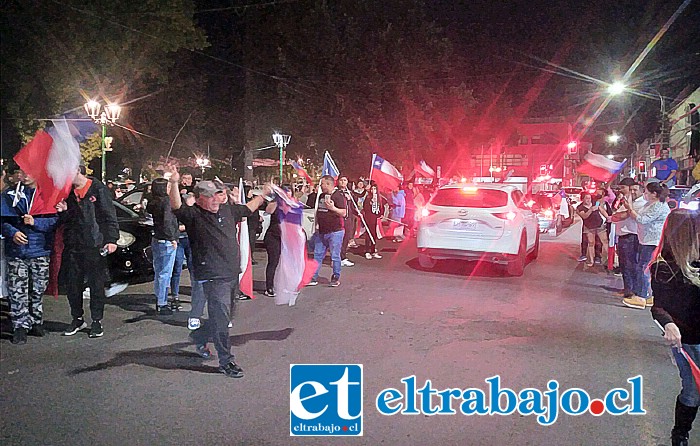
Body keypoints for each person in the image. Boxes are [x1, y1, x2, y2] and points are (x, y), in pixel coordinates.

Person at [167, 166, 269, 378]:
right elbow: (176, 206)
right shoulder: (194, 215)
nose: (215, 200)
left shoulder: (227, 209)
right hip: (213, 276)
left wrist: (264, 194)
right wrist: (175, 182)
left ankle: (199, 336)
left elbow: (248, 209)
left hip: (232, 273)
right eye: (210, 197)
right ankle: (226, 361)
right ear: (199, 199)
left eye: (217, 195)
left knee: (226, 317)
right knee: (221, 320)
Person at [649, 209, 700, 446]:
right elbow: (658, 307)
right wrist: (669, 325)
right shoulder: (663, 268)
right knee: (692, 391)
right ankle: (680, 436)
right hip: (688, 341)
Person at [56, 164, 119, 338]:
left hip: (94, 245)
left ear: (78, 172)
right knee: (72, 285)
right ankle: (77, 318)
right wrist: (64, 212)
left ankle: (96, 321)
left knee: (96, 285)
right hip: (73, 245)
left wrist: (111, 239)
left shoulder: (98, 189)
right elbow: (68, 219)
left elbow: (109, 216)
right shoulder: (68, 193)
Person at [1, 171, 58, 344]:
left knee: (37, 288)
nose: (24, 175)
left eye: (28, 171)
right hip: (17, 252)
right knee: (18, 290)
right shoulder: (10, 195)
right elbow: (2, 221)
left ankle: (36, 321)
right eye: (21, 172)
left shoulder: (47, 195)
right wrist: (13, 232)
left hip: (39, 249)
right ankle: (20, 326)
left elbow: (54, 220)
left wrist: (35, 222)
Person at [622, 182, 671, 309]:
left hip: (652, 241)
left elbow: (642, 220)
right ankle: (648, 296)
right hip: (645, 239)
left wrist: (630, 209)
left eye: (647, 192)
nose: (645, 194)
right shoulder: (651, 204)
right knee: (643, 267)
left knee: (642, 267)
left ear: (654, 194)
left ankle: (642, 296)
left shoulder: (659, 206)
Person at [146, 178, 180, 316]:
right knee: (165, 273)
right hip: (167, 240)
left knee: (159, 271)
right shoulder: (166, 202)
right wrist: (172, 238)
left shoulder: (153, 201)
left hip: (157, 238)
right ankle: (162, 302)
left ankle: (160, 299)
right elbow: (167, 221)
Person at [309, 175, 346, 287]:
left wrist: (333, 208)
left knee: (335, 255)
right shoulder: (321, 196)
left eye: (322, 184)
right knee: (317, 255)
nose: (321, 186)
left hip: (335, 231)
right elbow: (319, 211)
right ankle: (313, 277)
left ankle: (335, 276)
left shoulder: (338, 196)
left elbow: (344, 213)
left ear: (329, 184)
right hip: (322, 231)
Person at [611, 178, 645, 298]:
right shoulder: (626, 201)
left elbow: (623, 216)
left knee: (630, 264)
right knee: (624, 264)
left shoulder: (639, 203)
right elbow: (615, 214)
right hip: (623, 235)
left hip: (631, 236)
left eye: (634, 189)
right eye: (631, 190)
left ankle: (631, 290)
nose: (632, 192)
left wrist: (622, 213)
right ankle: (627, 288)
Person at [263, 185, 290, 297]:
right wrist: (277, 199)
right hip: (273, 236)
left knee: (286, 263)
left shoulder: (291, 204)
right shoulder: (276, 203)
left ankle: (283, 285)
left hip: (286, 238)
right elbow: (268, 210)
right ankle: (269, 287)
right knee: (273, 261)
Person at [576, 192, 610, 268]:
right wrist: (591, 210)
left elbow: (602, 210)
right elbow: (584, 216)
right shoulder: (579, 207)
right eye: (587, 198)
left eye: (590, 198)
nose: (589, 200)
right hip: (589, 227)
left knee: (605, 241)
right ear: (583, 199)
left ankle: (609, 259)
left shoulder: (595, 203)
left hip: (599, 224)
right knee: (591, 243)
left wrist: (608, 217)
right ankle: (591, 260)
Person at [338, 176, 358, 267]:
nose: (343, 182)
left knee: (346, 238)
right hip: (339, 219)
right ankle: (338, 257)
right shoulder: (336, 193)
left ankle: (343, 256)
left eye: (345, 180)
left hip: (348, 219)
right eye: (341, 180)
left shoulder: (350, 193)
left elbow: (354, 206)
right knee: (339, 239)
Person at [362, 183, 385, 260]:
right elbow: (365, 207)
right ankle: (367, 251)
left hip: (375, 218)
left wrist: (381, 214)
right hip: (369, 218)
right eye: (372, 189)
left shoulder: (379, 198)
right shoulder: (368, 197)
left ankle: (373, 250)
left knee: (374, 234)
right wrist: (370, 203)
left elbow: (382, 206)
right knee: (368, 234)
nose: (373, 190)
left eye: (375, 189)